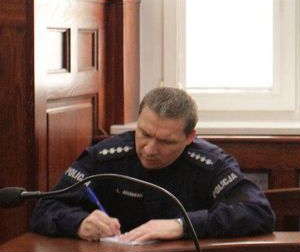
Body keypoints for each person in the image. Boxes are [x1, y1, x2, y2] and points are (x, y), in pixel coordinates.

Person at [30, 87, 275, 241]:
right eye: (144, 134)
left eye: (166, 142)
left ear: (190, 137)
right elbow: (45, 208)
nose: (149, 149)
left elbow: (259, 212)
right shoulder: (104, 157)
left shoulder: (210, 164)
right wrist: (78, 223)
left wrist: (182, 225)